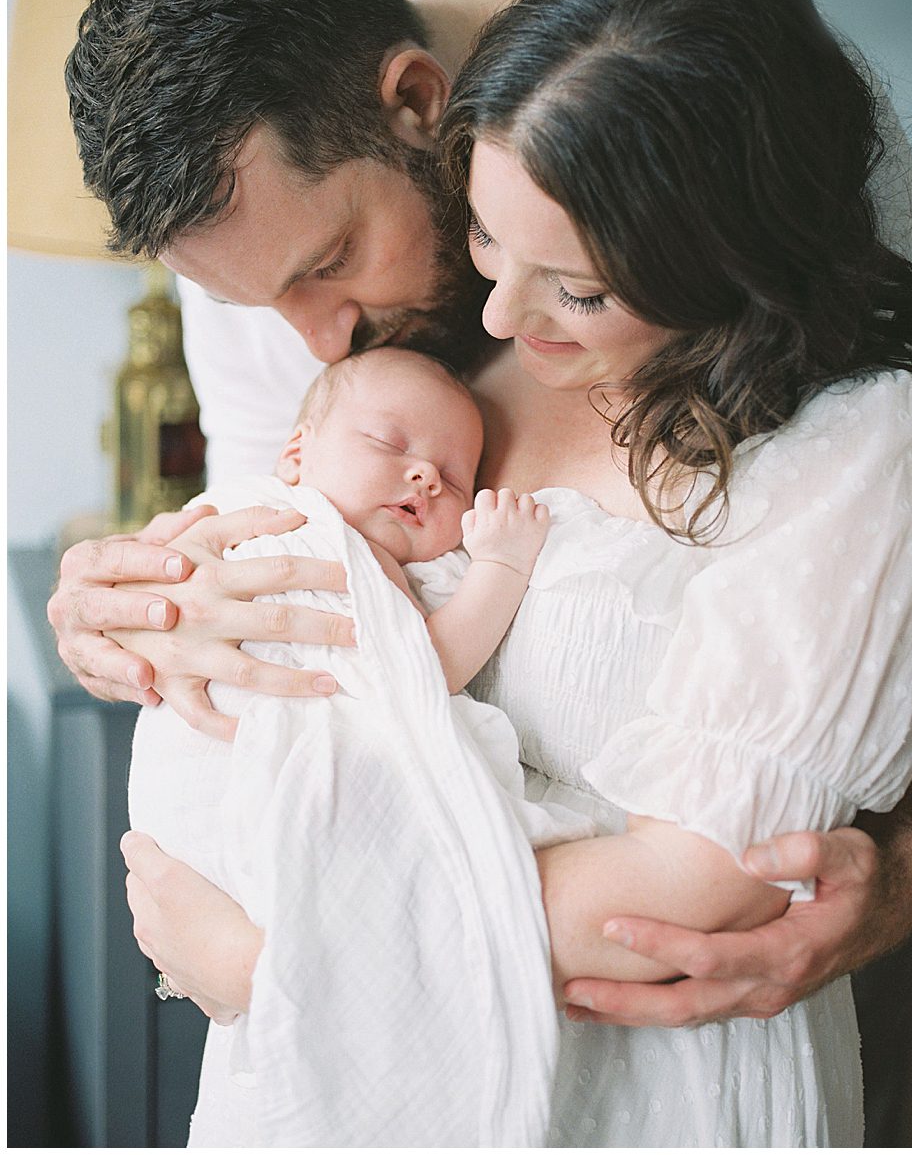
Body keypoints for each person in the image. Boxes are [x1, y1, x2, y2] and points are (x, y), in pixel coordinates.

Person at [53, 0, 912, 1142]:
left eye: (333, 264)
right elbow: (279, 563)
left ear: (418, 107)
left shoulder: (706, 112)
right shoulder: (251, 217)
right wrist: (130, 608)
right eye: (257, 300)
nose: (318, 343)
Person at [129, 346, 593, 1145]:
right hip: (217, 790)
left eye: (454, 476)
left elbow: (394, 686)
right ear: (296, 452)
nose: (426, 478)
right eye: (391, 445)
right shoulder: (277, 525)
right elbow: (423, 672)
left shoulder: (398, 570)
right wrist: (503, 568)